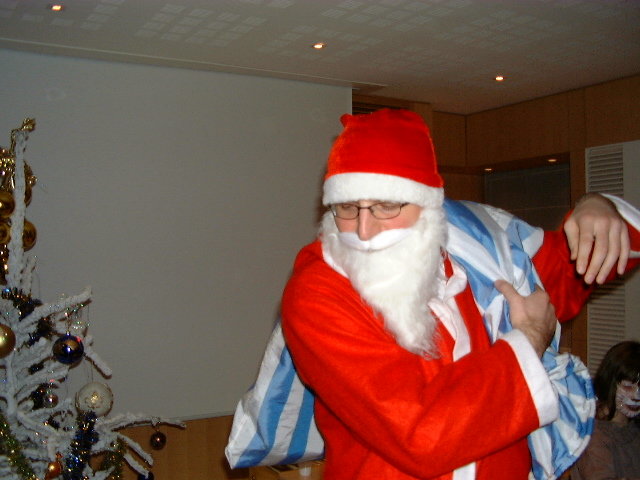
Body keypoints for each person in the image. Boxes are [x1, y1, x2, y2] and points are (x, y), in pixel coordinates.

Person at [279, 108, 640, 479]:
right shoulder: (317, 293)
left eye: (387, 205)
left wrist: (597, 206)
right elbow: (422, 434)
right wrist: (530, 339)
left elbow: (578, 264)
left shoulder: (480, 247)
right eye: (347, 207)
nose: (364, 230)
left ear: (428, 204)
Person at [571, 341, 640, 480]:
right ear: (609, 383)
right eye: (628, 387)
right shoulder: (594, 435)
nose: (636, 395)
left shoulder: (632, 426)